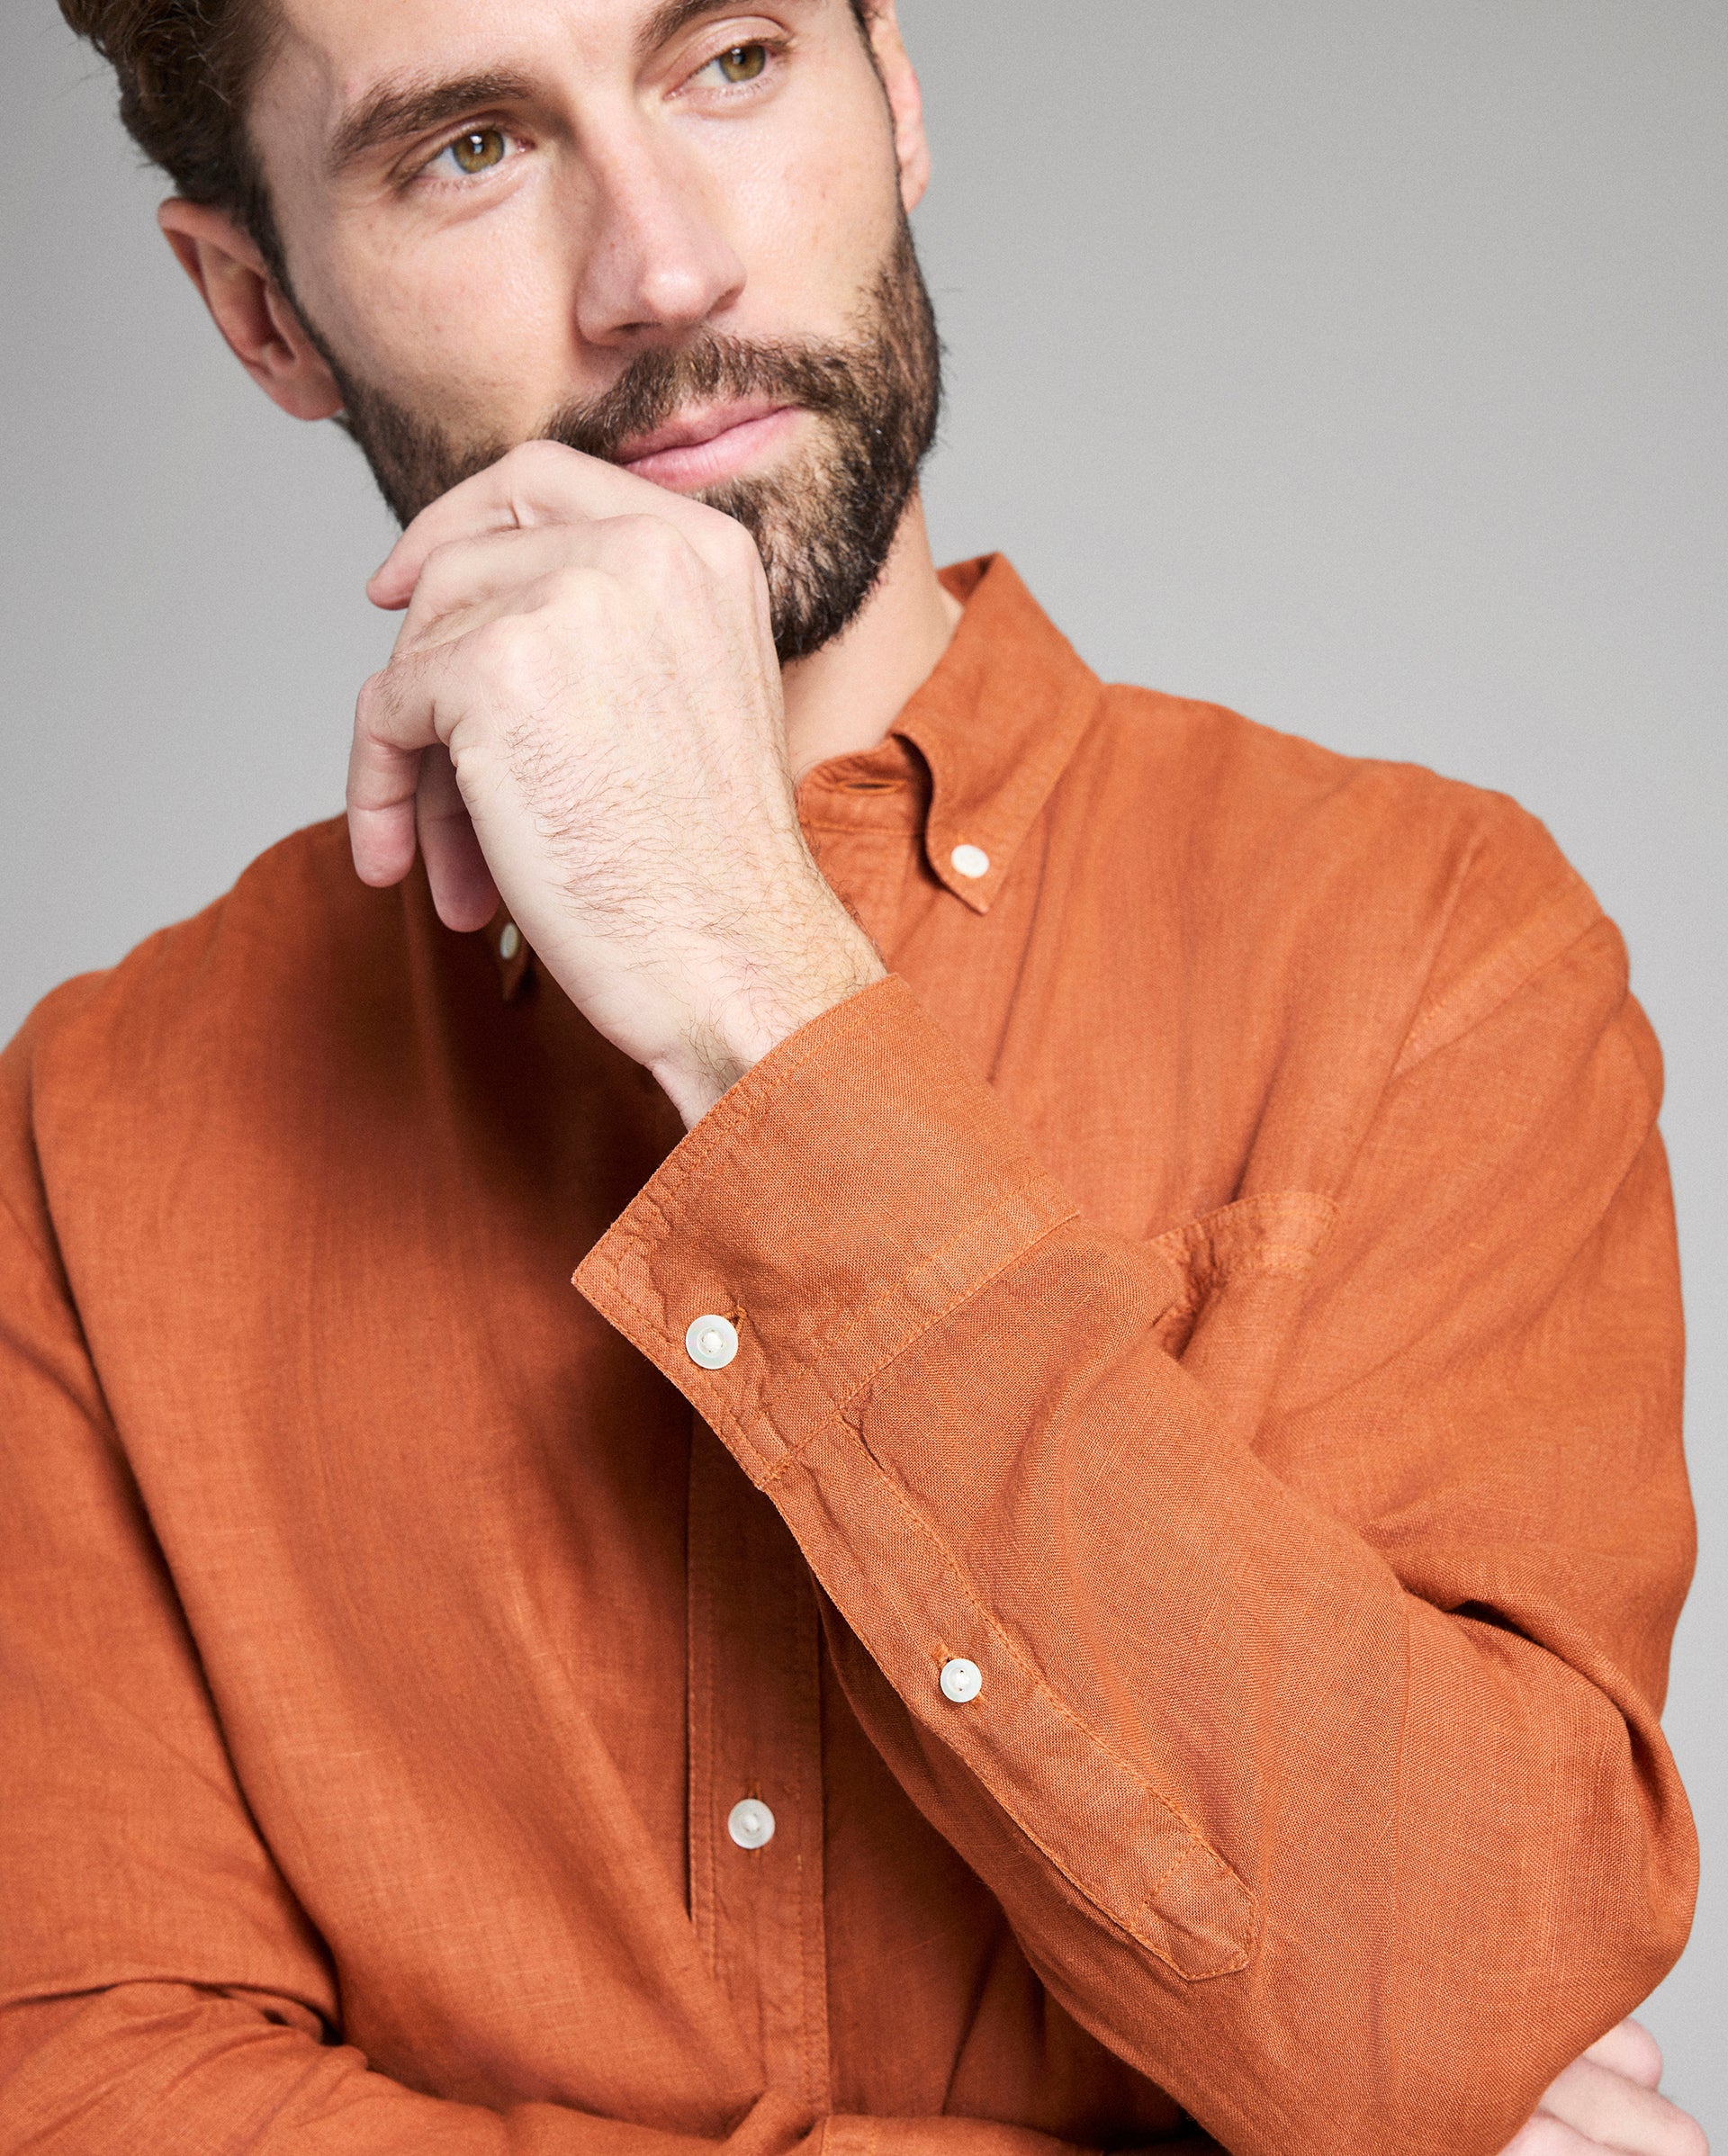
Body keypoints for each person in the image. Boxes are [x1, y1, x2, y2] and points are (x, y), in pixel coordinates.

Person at [0, 2, 1706, 2151]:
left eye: (727, 60)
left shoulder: (1433, 940)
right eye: (466, 151)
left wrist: (752, 987)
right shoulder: (100, 1129)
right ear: (263, 310)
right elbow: (71, 2099)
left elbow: (1452, 1994)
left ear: (890, 87)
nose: (665, 269)